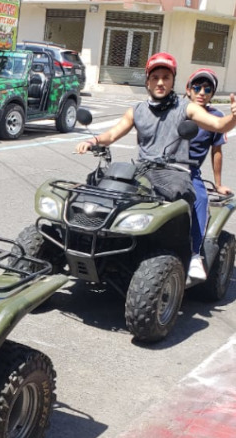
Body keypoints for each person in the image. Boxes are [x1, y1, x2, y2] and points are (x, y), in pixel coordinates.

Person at [76, 52, 236, 280]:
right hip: (142, 171)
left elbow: (218, 125)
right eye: (156, 77)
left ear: (173, 81)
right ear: (148, 81)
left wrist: (232, 117)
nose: (161, 82)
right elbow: (113, 133)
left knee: (195, 200)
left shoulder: (186, 108)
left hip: (175, 172)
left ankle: (194, 255)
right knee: (102, 185)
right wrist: (92, 141)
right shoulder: (137, 110)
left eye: (166, 77)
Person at [185, 68, 232, 280]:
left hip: (189, 170)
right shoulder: (177, 108)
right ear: (188, 89)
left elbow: (217, 151)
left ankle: (195, 254)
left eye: (207, 88)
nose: (201, 92)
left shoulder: (215, 116)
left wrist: (218, 184)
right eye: (197, 87)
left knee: (201, 200)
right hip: (159, 166)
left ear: (212, 93)